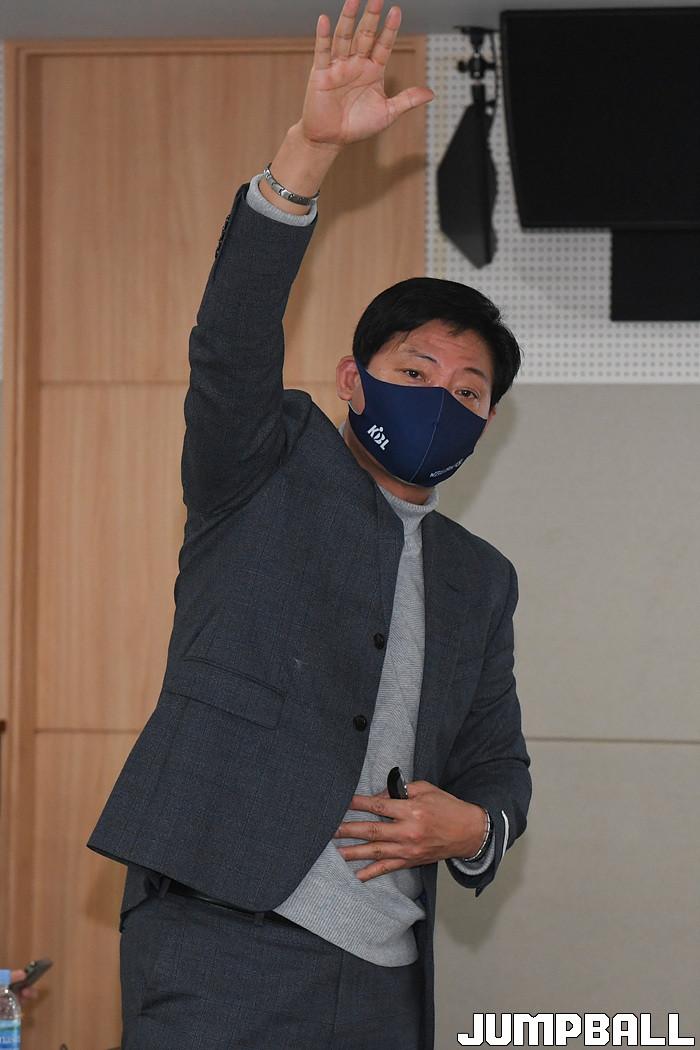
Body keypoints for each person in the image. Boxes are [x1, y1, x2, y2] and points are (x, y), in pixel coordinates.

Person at [87, 1, 532, 1047]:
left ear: (486, 425)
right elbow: (231, 339)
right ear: (350, 381)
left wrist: (475, 826)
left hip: (386, 975)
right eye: (414, 371)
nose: (441, 399)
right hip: (220, 939)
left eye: (468, 391)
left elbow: (497, 761)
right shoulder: (266, 461)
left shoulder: (481, 576)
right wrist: (307, 157)